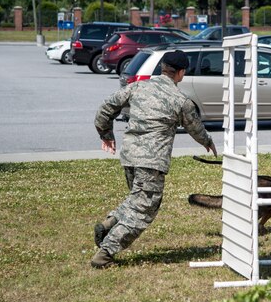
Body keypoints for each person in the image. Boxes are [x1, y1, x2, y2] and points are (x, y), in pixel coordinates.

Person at [91, 50, 217, 268]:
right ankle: (105, 253)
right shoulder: (180, 100)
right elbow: (195, 128)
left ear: (162, 68)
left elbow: (105, 108)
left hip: (129, 156)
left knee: (137, 198)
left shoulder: (137, 86)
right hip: (152, 161)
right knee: (144, 210)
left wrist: (107, 135)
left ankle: (110, 223)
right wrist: (207, 142)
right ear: (181, 73)